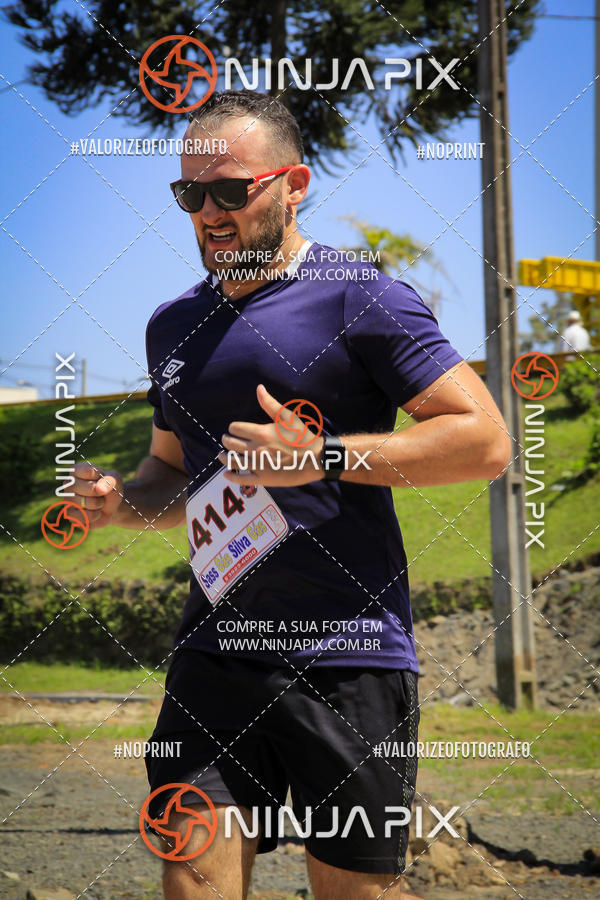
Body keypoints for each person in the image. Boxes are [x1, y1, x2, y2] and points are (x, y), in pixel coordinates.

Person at [73, 90, 511, 900]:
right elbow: (169, 473)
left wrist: (326, 456)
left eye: (231, 190)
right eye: (190, 194)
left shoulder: (361, 295)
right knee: (189, 864)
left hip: (347, 655)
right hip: (215, 652)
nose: (208, 212)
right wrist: (119, 503)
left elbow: (483, 440)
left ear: (293, 184)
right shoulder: (172, 325)